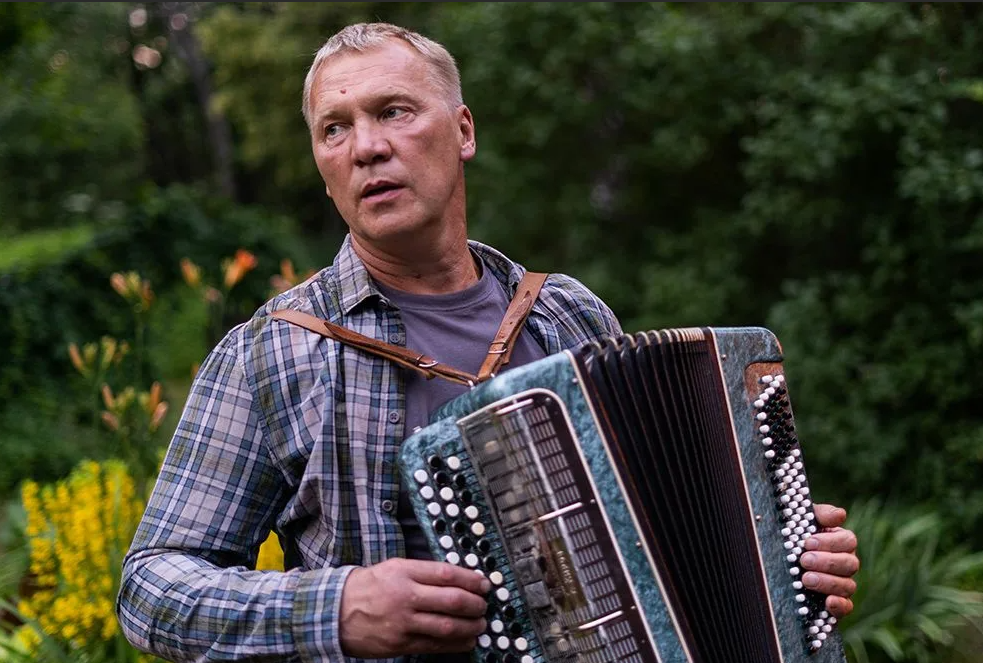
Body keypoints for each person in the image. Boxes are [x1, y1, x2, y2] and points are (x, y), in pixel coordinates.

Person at [116, 21, 860, 663]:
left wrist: (780, 558)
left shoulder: (566, 313)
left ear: (463, 131)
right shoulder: (272, 351)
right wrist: (335, 607)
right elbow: (151, 586)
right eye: (334, 128)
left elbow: (657, 540)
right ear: (322, 167)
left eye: (393, 111)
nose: (366, 147)